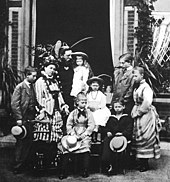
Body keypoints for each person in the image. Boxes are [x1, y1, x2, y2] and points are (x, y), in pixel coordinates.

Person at [33, 58, 69, 168]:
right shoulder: (40, 82)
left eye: (54, 68)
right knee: (44, 137)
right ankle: (43, 163)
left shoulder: (54, 81)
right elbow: (39, 98)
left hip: (56, 112)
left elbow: (59, 96)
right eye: (50, 68)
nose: (52, 70)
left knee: (55, 137)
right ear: (44, 68)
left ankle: (52, 160)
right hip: (46, 112)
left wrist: (63, 105)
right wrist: (44, 109)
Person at [59, 92, 95, 179]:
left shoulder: (88, 113)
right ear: (77, 102)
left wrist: (85, 134)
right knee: (67, 148)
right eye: (82, 102)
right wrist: (73, 134)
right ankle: (63, 171)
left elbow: (91, 125)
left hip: (84, 134)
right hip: (74, 134)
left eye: (85, 102)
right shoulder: (73, 113)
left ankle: (85, 170)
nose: (84, 104)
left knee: (86, 148)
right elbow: (69, 125)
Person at [131, 66, 161, 172]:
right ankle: (140, 161)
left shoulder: (146, 88)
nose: (134, 77)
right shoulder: (137, 86)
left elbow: (147, 103)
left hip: (145, 114)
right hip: (137, 111)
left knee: (145, 136)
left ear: (142, 75)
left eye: (136, 75)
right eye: (133, 75)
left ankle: (145, 163)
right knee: (138, 136)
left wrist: (138, 112)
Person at [11, 66, 37, 174]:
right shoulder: (20, 87)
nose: (35, 78)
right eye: (33, 76)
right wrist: (19, 119)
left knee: (29, 141)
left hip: (31, 117)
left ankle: (25, 164)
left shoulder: (32, 87)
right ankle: (17, 166)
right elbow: (14, 104)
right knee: (21, 142)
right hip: (23, 117)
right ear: (27, 75)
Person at [102, 99, 133, 175]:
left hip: (122, 136)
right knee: (106, 142)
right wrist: (108, 132)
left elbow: (129, 129)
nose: (117, 108)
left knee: (118, 144)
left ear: (123, 107)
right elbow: (107, 127)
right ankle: (107, 163)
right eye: (115, 107)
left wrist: (122, 133)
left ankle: (115, 167)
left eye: (119, 106)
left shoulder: (127, 118)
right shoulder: (111, 118)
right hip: (112, 136)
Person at [86, 76, 111, 142]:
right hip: (90, 109)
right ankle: (92, 134)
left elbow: (103, 104)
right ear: (90, 86)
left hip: (99, 108)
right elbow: (86, 102)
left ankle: (97, 131)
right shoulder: (88, 94)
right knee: (91, 115)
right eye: (93, 85)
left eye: (97, 86)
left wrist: (97, 107)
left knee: (99, 115)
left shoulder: (101, 94)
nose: (95, 87)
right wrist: (89, 107)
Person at [57, 45, 75, 112]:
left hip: (71, 95)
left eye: (71, 55)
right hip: (60, 95)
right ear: (62, 56)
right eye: (68, 55)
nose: (70, 57)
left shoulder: (72, 67)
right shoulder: (57, 67)